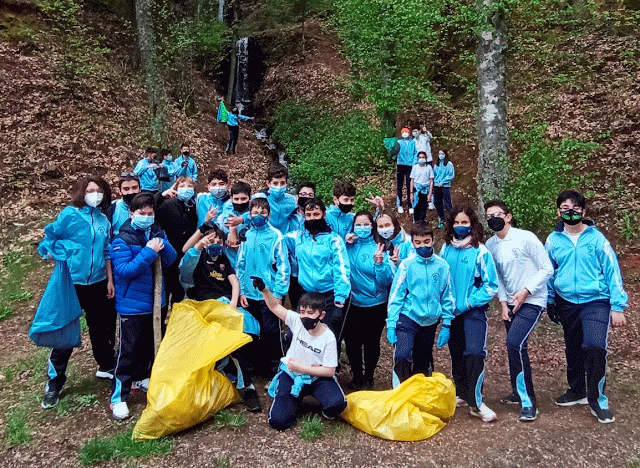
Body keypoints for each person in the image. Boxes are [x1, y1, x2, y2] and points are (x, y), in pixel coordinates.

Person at [545, 190, 628, 424]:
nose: (569, 212)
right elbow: (549, 271)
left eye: (574, 208)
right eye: (564, 208)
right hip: (566, 301)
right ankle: (577, 390)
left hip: (595, 300)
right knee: (572, 348)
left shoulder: (597, 239)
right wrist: (549, 299)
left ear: (583, 211)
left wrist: (617, 306)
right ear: (558, 211)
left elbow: (612, 271)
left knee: (594, 346)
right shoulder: (553, 240)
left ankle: (597, 398)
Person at [39, 176, 116, 409]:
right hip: (72, 282)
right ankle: (55, 381)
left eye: (99, 191)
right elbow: (51, 239)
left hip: (99, 282)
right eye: (90, 190)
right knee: (65, 330)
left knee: (100, 328)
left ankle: (105, 365)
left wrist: (110, 280)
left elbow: (106, 251)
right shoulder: (69, 215)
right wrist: (53, 252)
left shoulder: (104, 220)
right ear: (82, 193)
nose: (95, 194)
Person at [178, 223, 262, 412]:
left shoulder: (224, 259)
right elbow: (185, 271)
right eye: (211, 239)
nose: (215, 242)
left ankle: (246, 385)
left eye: (219, 240)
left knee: (241, 338)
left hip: (225, 307)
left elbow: (234, 282)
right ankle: (225, 378)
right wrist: (199, 247)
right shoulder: (197, 257)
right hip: (202, 308)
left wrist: (232, 305)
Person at [109, 192, 177, 420]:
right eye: (142, 213)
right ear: (131, 213)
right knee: (128, 351)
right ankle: (119, 397)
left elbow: (170, 260)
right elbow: (124, 271)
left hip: (156, 303)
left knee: (149, 346)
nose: (146, 217)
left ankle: (141, 377)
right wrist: (148, 252)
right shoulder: (122, 240)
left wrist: (163, 246)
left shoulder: (157, 232)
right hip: (132, 305)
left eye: (150, 213)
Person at [484, 199, 554, 422]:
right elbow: (498, 279)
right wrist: (503, 304)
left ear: (508, 216)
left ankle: (528, 401)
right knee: (515, 348)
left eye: (497, 214)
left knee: (515, 343)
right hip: (511, 303)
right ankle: (517, 391)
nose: (493, 218)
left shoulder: (526, 238)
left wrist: (526, 291)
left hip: (533, 300)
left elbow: (547, 268)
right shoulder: (490, 245)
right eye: (488, 216)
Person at [252, 280, 347, 431]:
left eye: (310, 313)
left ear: (321, 315)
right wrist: (264, 290)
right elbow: (275, 306)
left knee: (337, 405)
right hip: (292, 375)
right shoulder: (296, 321)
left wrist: (302, 367)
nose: (305, 317)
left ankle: (315, 401)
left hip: (316, 378)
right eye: (302, 312)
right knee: (278, 421)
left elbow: (329, 370)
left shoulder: (328, 337)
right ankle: (290, 400)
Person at [439, 206, 499, 423]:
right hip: (452, 313)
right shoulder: (445, 249)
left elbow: (491, 285)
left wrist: (468, 302)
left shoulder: (481, 251)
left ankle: (477, 402)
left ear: (472, 224)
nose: (460, 226)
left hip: (473, 312)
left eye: (465, 223)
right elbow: (440, 278)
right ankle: (462, 393)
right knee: (456, 353)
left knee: (474, 353)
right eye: (456, 223)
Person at [387, 222, 455, 388]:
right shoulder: (406, 265)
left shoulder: (442, 265)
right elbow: (396, 295)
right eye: (418, 242)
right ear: (413, 243)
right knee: (402, 355)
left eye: (426, 241)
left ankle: (419, 395)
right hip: (408, 317)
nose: (422, 245)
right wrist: (391, 323)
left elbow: (447, 296)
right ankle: (400, 393)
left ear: (432, 240)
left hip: (430, 321)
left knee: (422, 361)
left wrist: (446, 323)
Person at [285, 198, 351, 358]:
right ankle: (301, 369)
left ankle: (329, 373)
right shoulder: (297, 237)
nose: (312, 217)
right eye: (309, 214)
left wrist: (340, 301)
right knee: (292, 335)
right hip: (307, 294)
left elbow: (342, 270)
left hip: (330, 296)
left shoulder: (334, 239)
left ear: (323, 215)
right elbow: (276, 240)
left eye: (316, 214)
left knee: (329, 337)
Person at [237, 198, 290, 378]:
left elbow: (283, 266)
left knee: (271, 332)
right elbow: (240, 264)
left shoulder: (276, 235)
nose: (258, 216)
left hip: (269, 294)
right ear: (249, 214)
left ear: (268, 214)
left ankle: (276, 368)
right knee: (253, 330)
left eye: (262, 213)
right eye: (255, 212)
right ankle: (256, 368)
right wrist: (241, 291)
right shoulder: (246, 235)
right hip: (249, 294)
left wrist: (279, 293)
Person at [343, 211, 393, 389]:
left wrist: (379, 263)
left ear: (372, 226)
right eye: (358, 224)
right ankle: (356, 375)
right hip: (352, 303)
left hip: (375, 304)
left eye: (366, 225)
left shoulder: (379, 247)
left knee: (371, 341)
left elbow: (387, 281)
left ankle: (369, 377)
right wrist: (343, 241)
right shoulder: (348, 245)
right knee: (352, 342)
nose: (362, 228)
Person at [155, 176, 198, 304]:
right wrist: (161, 196)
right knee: (170, 284)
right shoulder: (168, 204)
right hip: (171, 249)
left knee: (184, 287)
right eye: (182, 186)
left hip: (189, 250)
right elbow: (154, 213)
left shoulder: (194, 205)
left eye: (189, 187)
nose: (186, 189)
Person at [286, 182, 316, 310]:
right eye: (303, 194)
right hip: (292, 269)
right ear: (297, 196)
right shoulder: (289, 216)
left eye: (310, 195)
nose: (306, 197)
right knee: (295, 304)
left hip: (311, 269)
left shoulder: (317, 216)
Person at [216, 181, 252, 269]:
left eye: (243, 199)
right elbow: (215, 235)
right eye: (236, 199)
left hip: (249, 264)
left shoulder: (253, 218)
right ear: (231, 198)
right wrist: (226, 241)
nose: (240, 202)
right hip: (228, 264)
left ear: (250, 198)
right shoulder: (222, 218)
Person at [254, 164, 297, 235]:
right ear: (268, 183)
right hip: (265, 237)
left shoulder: (292, 200)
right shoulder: (259, 198)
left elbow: (296, 219)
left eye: (282, 183)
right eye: (275, 183)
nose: (279, 187)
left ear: (287, 183)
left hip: (284, 238)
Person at [394, 127, 417, 214]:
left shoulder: (413, 142)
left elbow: (416, 153)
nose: (404, 133)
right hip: (400, 164)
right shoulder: (399, 142)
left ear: (409, 133)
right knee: (399, 185)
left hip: (410, 165)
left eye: (406, 132)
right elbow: (394, 151)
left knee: (409, 185)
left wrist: (414, 163)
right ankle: (399, 204)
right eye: (403, 132)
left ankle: (410, 204)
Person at [409, 151, 434, 224]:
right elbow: (412, 181)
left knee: (424, 206)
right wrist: (411, 193)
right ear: (417, 158)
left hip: (425, 190)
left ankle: (422, 221)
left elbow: (431, 181)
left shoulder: (429, 167)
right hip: (416, 189)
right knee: (416, 206)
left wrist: (430, 193)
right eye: (420, 157)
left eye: (423, 157)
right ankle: (416, 221)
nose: (421, 159)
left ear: (426, 158)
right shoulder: (415, 167)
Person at [433, 149, 455, 228]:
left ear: (445, 154)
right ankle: (441, 219)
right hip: (436, 186)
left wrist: (443, 182)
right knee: (437, 203)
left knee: (447, 203)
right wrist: (435, 184)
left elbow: (451, 175)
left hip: (445, 186)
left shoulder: (449, 164)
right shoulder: (436, 165)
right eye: (439, 154)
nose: (440, 155)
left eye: (442, 154)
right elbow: (434, 175)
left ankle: (450, 220)